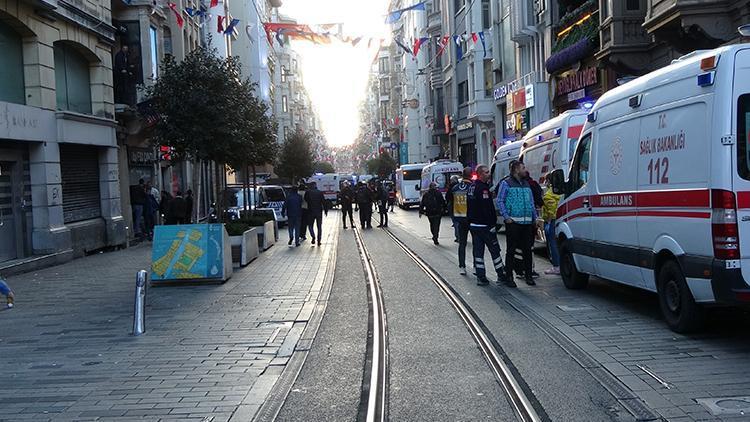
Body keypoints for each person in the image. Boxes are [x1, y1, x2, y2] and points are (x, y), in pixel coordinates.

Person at [498, 161, 540, 286]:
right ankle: (509, 277)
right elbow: (500, 200)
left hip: (527, 223)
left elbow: (531, 202)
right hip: (514, 222)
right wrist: (506, 217)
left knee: (527, 250)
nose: (525, 170)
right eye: (523, 168)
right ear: (516, 169)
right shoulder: (506, 183)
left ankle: (528, 275)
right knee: (511, 250)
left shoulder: (526, 184)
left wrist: (535, 218)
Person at [468, 165, 510, 286]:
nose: (489, 174)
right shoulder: (483, 189)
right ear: (480, 174)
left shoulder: (472, 187)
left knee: (478, 252)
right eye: (486, 172)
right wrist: (492, 223)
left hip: (474, 225)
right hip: (484, 226)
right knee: (495, 251)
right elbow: (487, 208)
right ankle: (501, 275)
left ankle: (481, 277)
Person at [449, 168, 472, 275]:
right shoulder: (472, 187)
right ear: (471, 175)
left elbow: (450, 201)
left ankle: (462, 266)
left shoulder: (455, 188)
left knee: (462, 244)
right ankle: (476, 266)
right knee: (476, 244)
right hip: (471, 218)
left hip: (460, 218)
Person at [542, 181, 562, 275]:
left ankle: (556, 266)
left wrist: (549, 222)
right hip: (560, 219)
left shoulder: (548, 195)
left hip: (552, 220)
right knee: (557, 244)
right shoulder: (560, 192)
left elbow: (551, 210)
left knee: (552, 243)